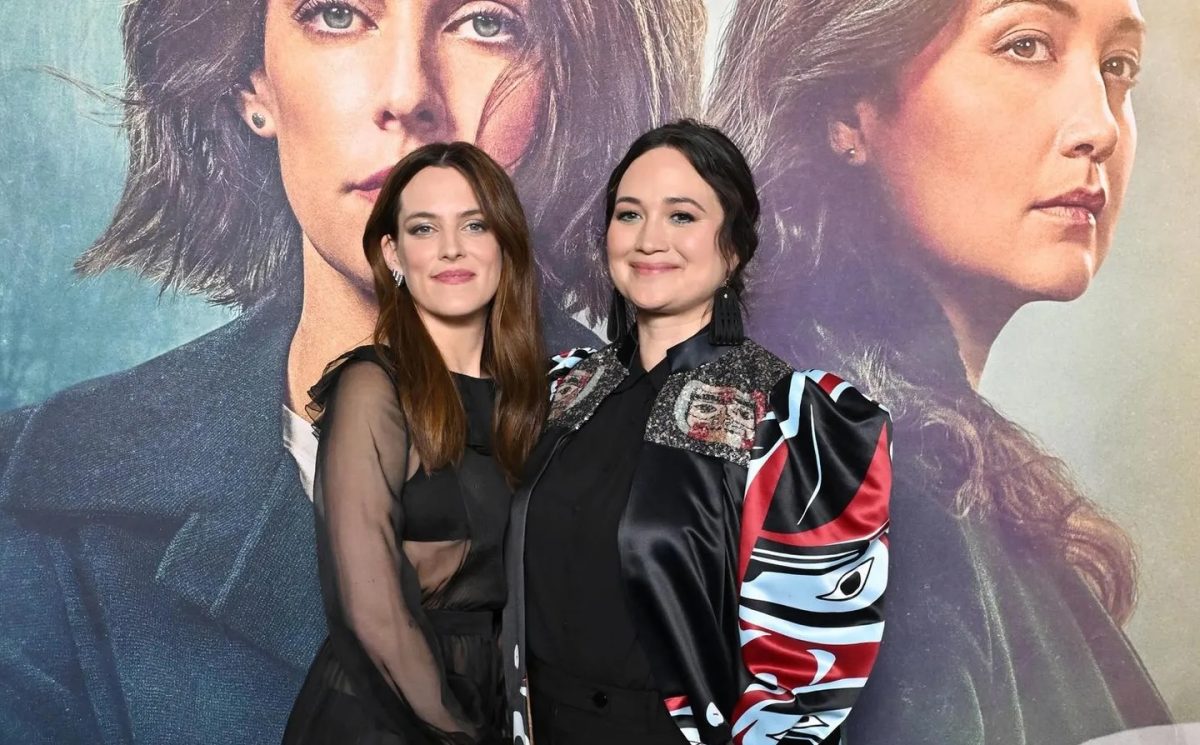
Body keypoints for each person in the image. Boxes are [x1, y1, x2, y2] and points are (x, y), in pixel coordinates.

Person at [0, 0, 704, 742]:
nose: (406, 95)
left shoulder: (737, 496)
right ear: (252, 85)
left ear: (569, 88)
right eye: (336, 14)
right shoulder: (45, 507)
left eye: (486, 23)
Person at [708, 0, 1174, 741]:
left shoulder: (934, 456)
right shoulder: (830, 467)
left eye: (1117, 67)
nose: (1102, 125)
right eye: (1027, 46)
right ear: (846, 111)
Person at [501, 120, 893, 745]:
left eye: (682, 216)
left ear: (733, 247)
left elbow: (808, 678)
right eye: (629, 215)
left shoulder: (787, 417)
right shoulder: (561, 391)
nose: (649, 238)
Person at [282, 141, 546, 744]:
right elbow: (370, 613)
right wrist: (455, 732)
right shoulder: (374, 389)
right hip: (389, 717)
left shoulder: (535, 400)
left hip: (499, 703)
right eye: (425, 228)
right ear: (393, 254)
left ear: (504, 244)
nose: (451, 248)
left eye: (474, 224)